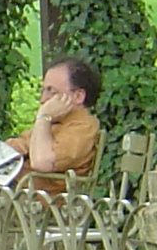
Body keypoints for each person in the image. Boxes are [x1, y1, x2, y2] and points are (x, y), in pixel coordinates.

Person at [8, 57, 104, 189]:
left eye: (52, 92)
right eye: (43, 91)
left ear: (78, 96)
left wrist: (43, 117)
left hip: (38, 203)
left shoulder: (83, 128)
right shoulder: (56, 123)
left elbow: (42, 162)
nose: (43, 100)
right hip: (10, 194)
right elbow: (15, 147)